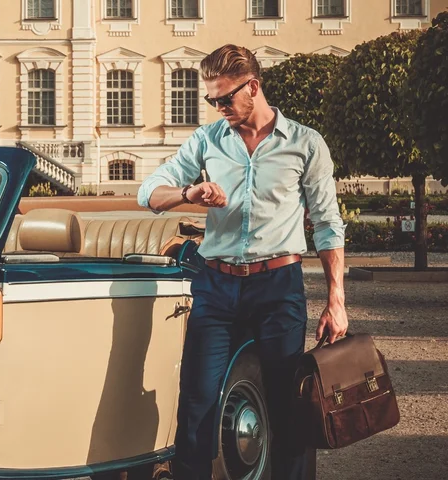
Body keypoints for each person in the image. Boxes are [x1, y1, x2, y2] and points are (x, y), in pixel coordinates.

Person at [137, 44, 348, 480]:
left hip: (279, 286)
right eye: (211, 100)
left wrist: (336, 299)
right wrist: (188, 194)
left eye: (225, 98)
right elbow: (150, 192)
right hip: (216, 287)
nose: (218, 108)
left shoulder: (306, 144)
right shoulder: (207, 141)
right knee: (197, 402)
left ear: (253, 86)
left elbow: (328, 224)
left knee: (287, 405)